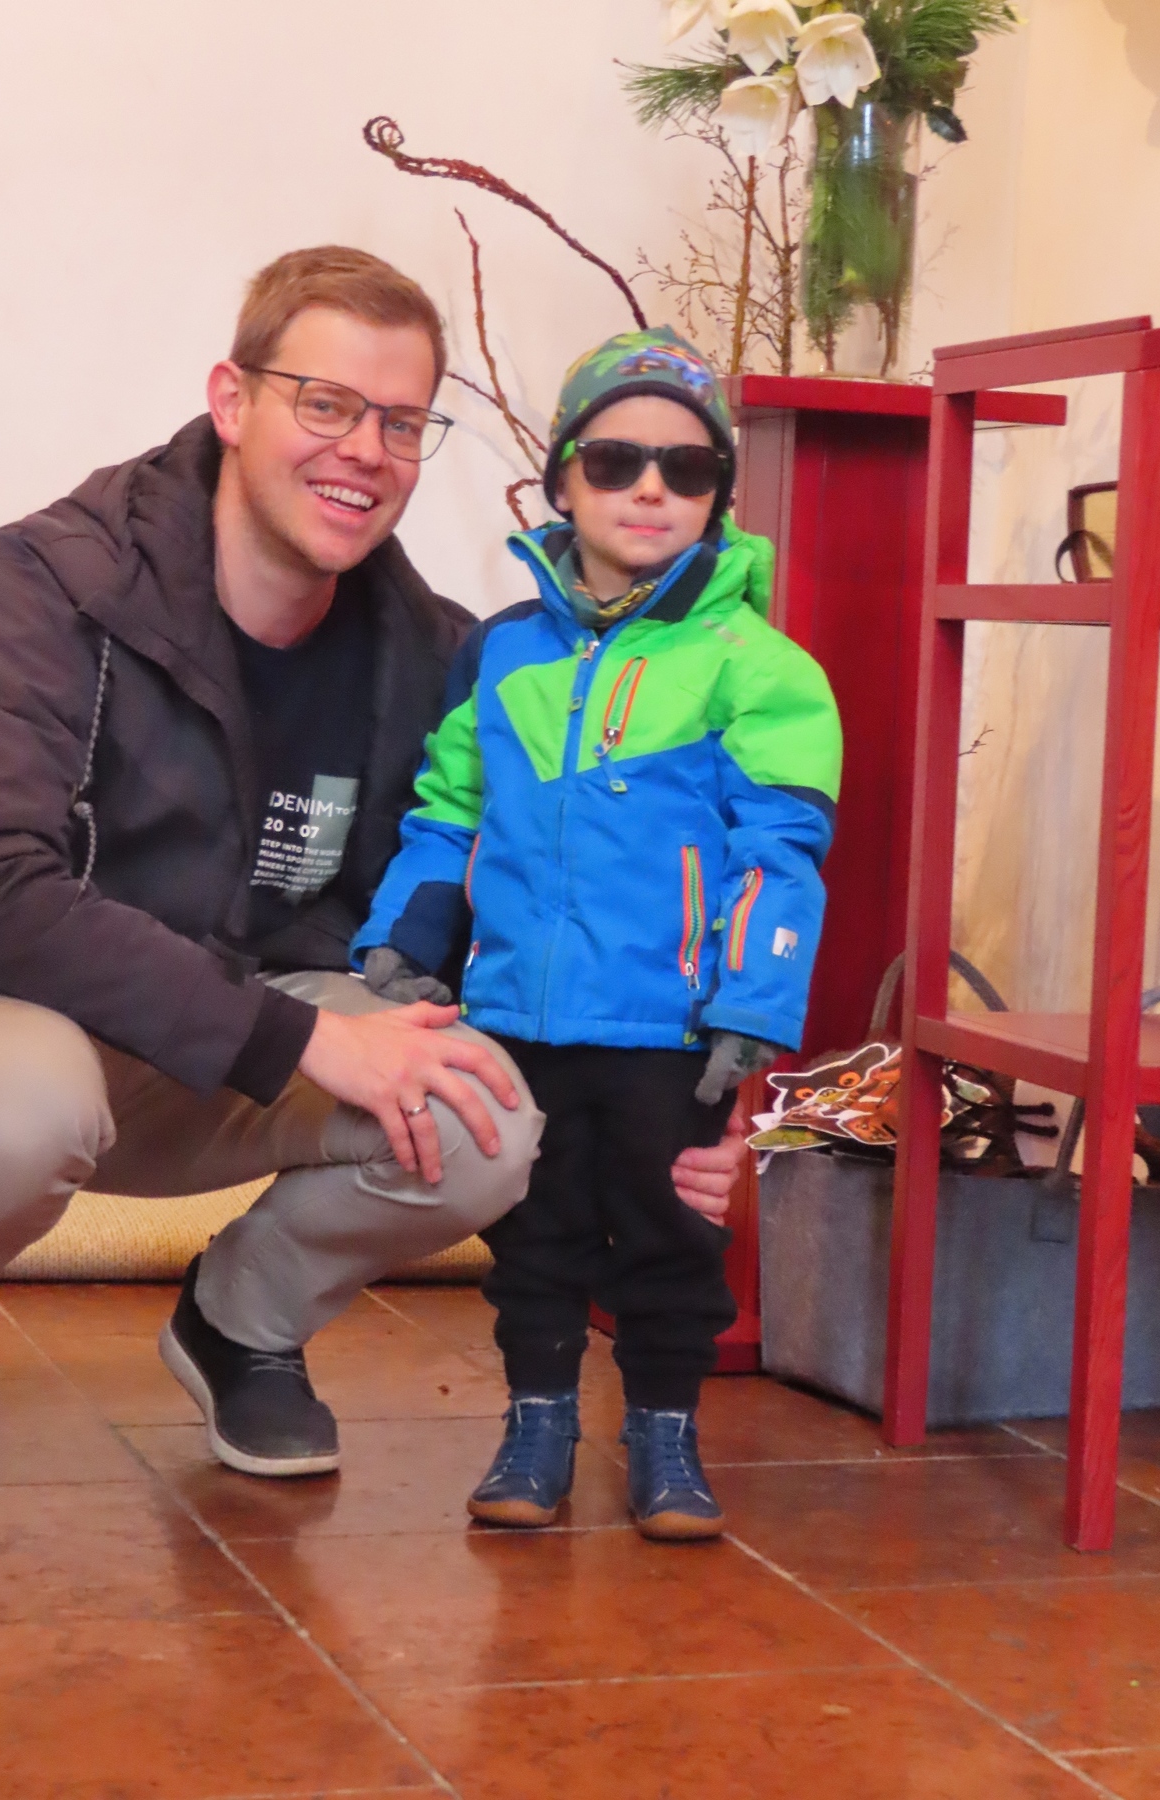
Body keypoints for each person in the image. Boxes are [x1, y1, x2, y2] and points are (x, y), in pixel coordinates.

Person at [0, 252, 748, 1505]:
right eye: (325, 404)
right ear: (232, 401)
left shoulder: (436, 653)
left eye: (401, 422)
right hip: (4, 999)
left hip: (248, 1020)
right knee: (14, 1121)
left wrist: (679, 1112)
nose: (363, 451)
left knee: (489, 1117)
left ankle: (239, 1321)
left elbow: (536, 907)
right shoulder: (52, 578)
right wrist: (311, 1042)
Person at [355, 327, 842, 1541]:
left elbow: (782, 852)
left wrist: (751, 1008)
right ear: (562, 480)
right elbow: (450, 813)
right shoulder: (500, 651)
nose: (651, 490)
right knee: (535, 1236)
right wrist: (405, 939)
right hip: (517, 1013)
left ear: (720, 493)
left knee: (673, 1228)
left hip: (670, 1028)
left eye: (689, 469)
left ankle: (666, 1433)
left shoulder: (759, 667)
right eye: (618, 460)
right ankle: (537, 1423)